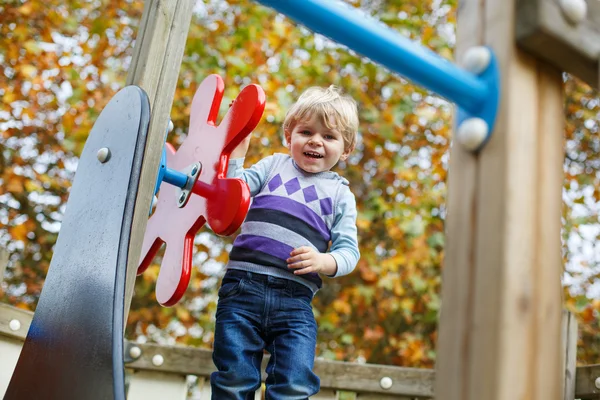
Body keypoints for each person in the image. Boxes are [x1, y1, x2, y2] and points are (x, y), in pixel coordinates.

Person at [210, 85, 360, 400]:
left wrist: (324, 261)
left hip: (294, 301)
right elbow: (233, 193)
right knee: (234, 376)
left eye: (329, 137)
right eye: (307, 131)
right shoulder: (272, 166)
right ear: (289, 135)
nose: (316, 141)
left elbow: (349, 252)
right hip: (242, 289)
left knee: (293, 381)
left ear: (346, 149)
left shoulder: (339, 194)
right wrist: (237, 152)